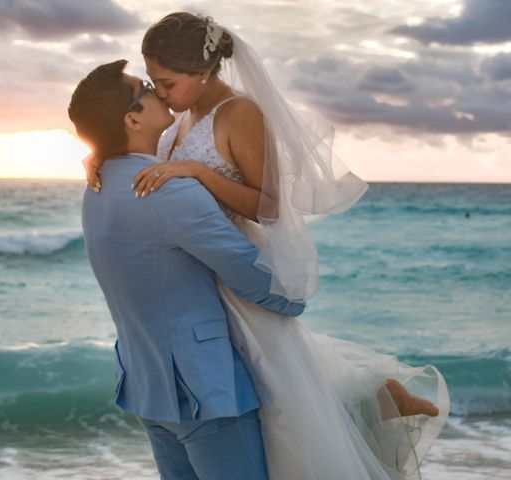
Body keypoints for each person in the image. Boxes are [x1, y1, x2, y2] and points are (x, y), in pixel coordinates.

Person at [85, 12, 450, 480]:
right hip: (199, 271)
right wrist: (100, 151)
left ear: (202, 73)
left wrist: (200, 173)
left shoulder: (240, 114)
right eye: (153, 85)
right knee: (281, 391)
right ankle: (375, 395)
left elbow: (270, 205)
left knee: (284, 402)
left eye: (166, 83)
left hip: (232, 263)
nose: (160, 95)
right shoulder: (179, 121)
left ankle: (377, 398)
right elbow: (148, 159)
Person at [69, 59, 309, 480]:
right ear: (132, 117)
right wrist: (294, 295)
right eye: (146, 87)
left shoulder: (95, 188)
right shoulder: (173, 194)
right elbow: (259, 282)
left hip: (147, 386)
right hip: (203, 391)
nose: (159, 91)